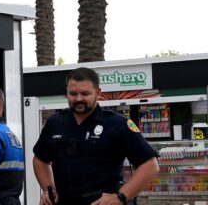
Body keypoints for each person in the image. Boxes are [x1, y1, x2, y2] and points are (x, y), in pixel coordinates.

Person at [32, 67, 159, 205]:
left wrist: (120, 197)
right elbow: (40, 160)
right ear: (66, 93)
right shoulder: (55, 123)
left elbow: (150, 166)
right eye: (73, 94)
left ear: (98, 93)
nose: (78, 99)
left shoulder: (117, 124)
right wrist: (48, 190)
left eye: (85, 93)